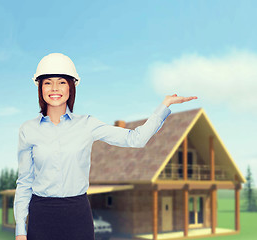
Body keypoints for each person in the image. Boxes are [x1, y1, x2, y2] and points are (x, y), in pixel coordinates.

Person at [13, 53, 198, 240]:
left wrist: (164, 105)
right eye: (48, 82)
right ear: (40, 87)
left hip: (77, 215)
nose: (55, 88)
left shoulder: (88, 125)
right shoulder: (28, 130)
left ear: (71, 86)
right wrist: (20, 230)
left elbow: (135, 139)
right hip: (41, 216)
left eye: (61, 82)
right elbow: (25, 182)